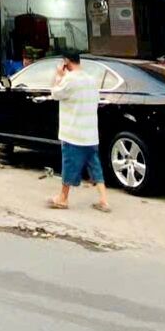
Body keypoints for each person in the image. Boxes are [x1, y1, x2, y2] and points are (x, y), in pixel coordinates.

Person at [49, 52, 110, 213]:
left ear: (66, 62)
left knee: (69, 164)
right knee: (95, 166)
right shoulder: (91, 79)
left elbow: (55, 93)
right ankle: (104, 200)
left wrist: (59, 76)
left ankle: (63, 198)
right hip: (90, 132)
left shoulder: (69, 79)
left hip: (73, 132)